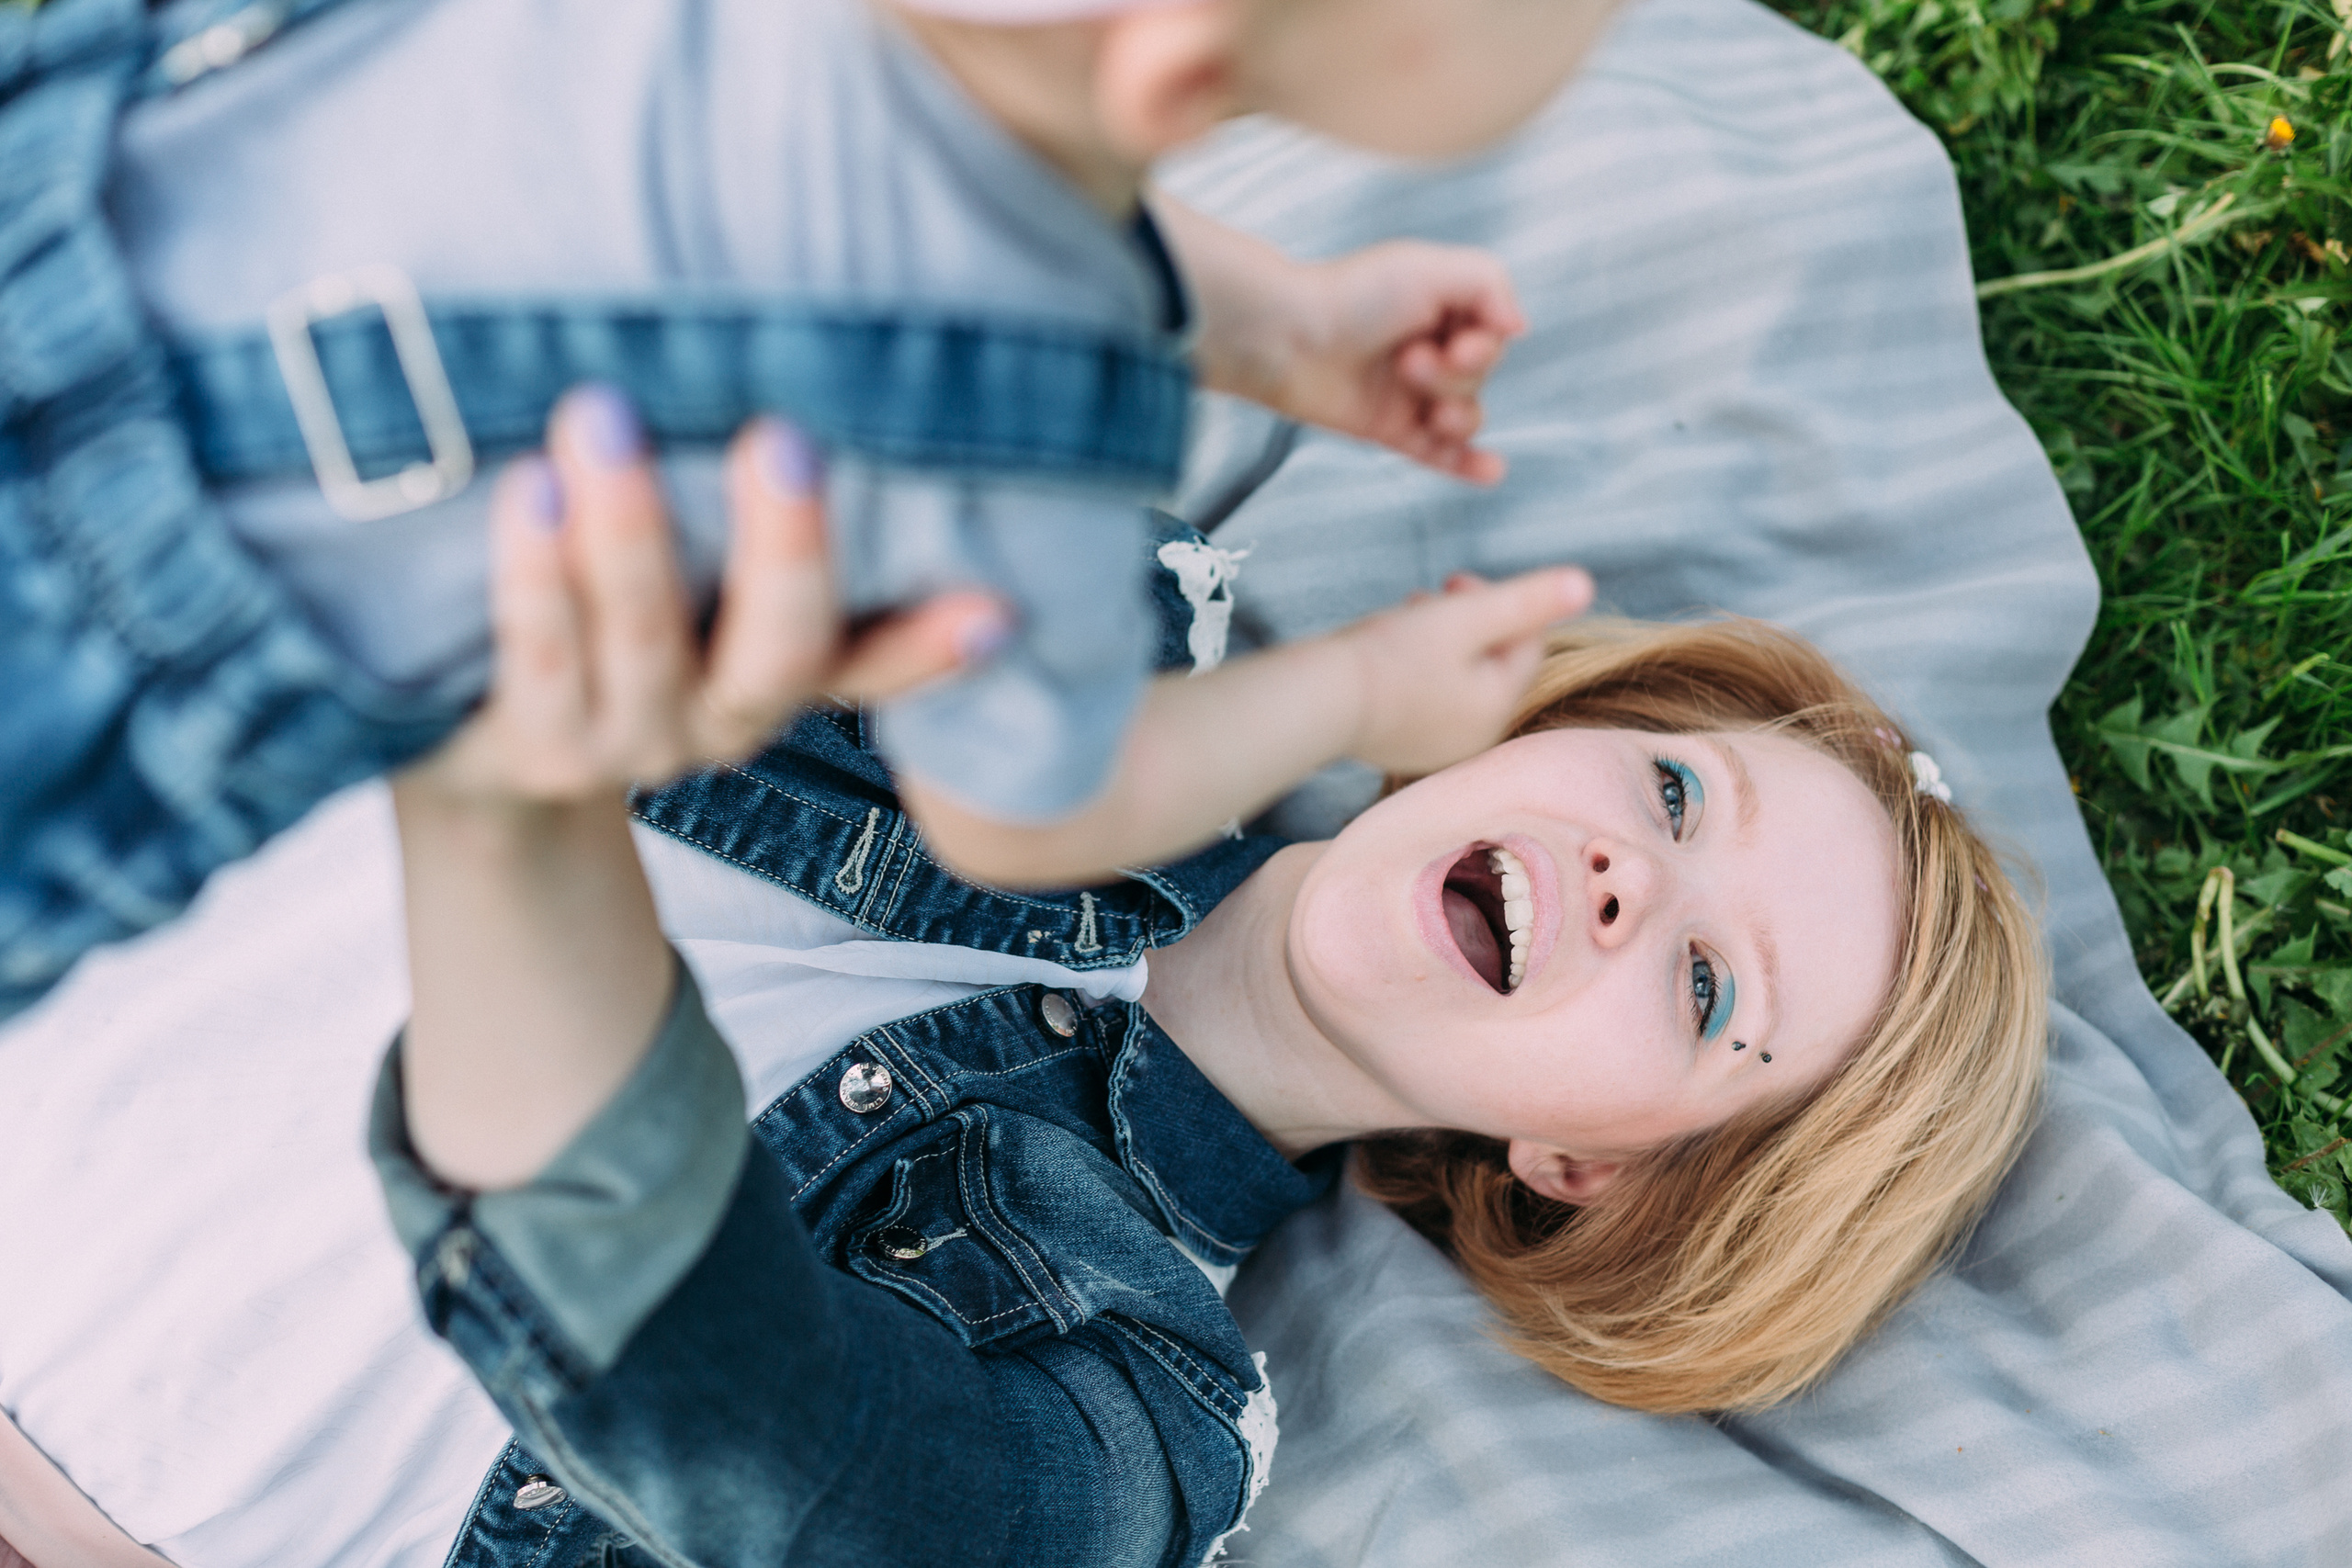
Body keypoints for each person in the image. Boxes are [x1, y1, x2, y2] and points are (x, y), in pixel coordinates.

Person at [0, 380, 2049, 1567]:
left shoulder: (1150, 1390)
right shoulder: (1086, 616)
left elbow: (808, 1474)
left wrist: (509, 844)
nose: (1629, 881)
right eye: (1675, 791)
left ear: (1584, 1169)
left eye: (1703, 993)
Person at [1, 0, 1629, 1021]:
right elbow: (1026, 821)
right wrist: (1358, 687)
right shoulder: (1023, 453)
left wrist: (1279, 328)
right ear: (1181, 84)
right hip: (92, 643)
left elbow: (977, 183)